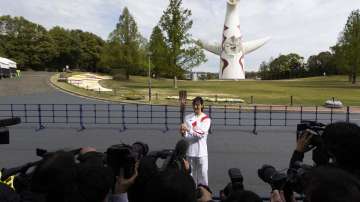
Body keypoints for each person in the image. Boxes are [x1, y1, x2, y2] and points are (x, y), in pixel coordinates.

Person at [180, 96, 211, 186]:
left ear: (202, 105)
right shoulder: (187, 117)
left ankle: (204, 196)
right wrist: (183, 133)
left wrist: (188, 130)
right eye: (194, 105)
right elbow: (187, 137)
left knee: (203, 176)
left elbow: (200, 134)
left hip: (202, 153)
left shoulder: (206, 119)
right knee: (190, 176)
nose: (196, 107)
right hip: (190, 152)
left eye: (198, 105)